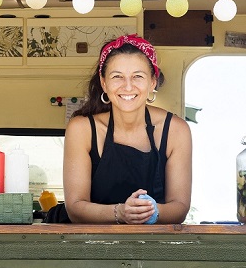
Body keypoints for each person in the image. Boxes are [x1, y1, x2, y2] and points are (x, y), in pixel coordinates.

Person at [60, 34, 192, 224]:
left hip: (154, 245)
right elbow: (75, 207)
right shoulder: (82, 129)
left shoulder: (176, 130)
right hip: (90, 245)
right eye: (117, 77)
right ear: (104, 83)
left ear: (152, 82)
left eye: (138, 76)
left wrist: (150, 212)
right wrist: (120, 212)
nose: (128, 86)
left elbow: (179, 207)